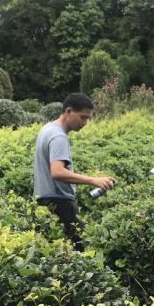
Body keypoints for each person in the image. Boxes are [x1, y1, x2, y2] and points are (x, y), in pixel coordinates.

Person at [33, 93, 114, 248]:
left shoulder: (47, 129)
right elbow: (57, 172)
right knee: (82, 249)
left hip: (45, 200)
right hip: (59, 203)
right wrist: (93, 180)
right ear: (68, 111)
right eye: (83, 117)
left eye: (88, 119)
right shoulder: (58, 136)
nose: (85, 123)